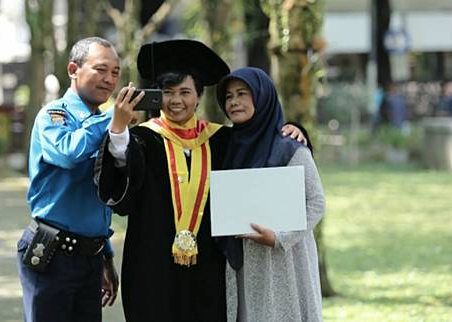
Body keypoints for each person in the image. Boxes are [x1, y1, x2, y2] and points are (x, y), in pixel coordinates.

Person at [94, 39, 308, 322]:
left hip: (210, 264)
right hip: (151, 263)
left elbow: (260, 144)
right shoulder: (142, 139)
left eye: (185, 92)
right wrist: (119, 129)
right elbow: (120, 185)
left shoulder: (221, 140)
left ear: (198, 96)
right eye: (168, 93)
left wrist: (293, 131)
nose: (176, 101)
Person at [16, 37, 125, 322]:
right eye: (101, 69)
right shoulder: (53, 115)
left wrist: (107, 256)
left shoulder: (105, 124)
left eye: (115, 72)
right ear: (73, 69)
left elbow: (100, 195)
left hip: (92, 256)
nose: (109, 79)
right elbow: (68, 153)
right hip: (52, 253)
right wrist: (114, 117)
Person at [215, 67, 325, 322]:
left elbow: (317, 202)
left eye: (242, 93)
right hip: (244, 261)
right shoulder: (225, 146)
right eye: (228, 96)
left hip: (283, 261)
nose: (234, 102)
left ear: (262, 97)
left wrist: (279, 238)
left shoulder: (289, 146)